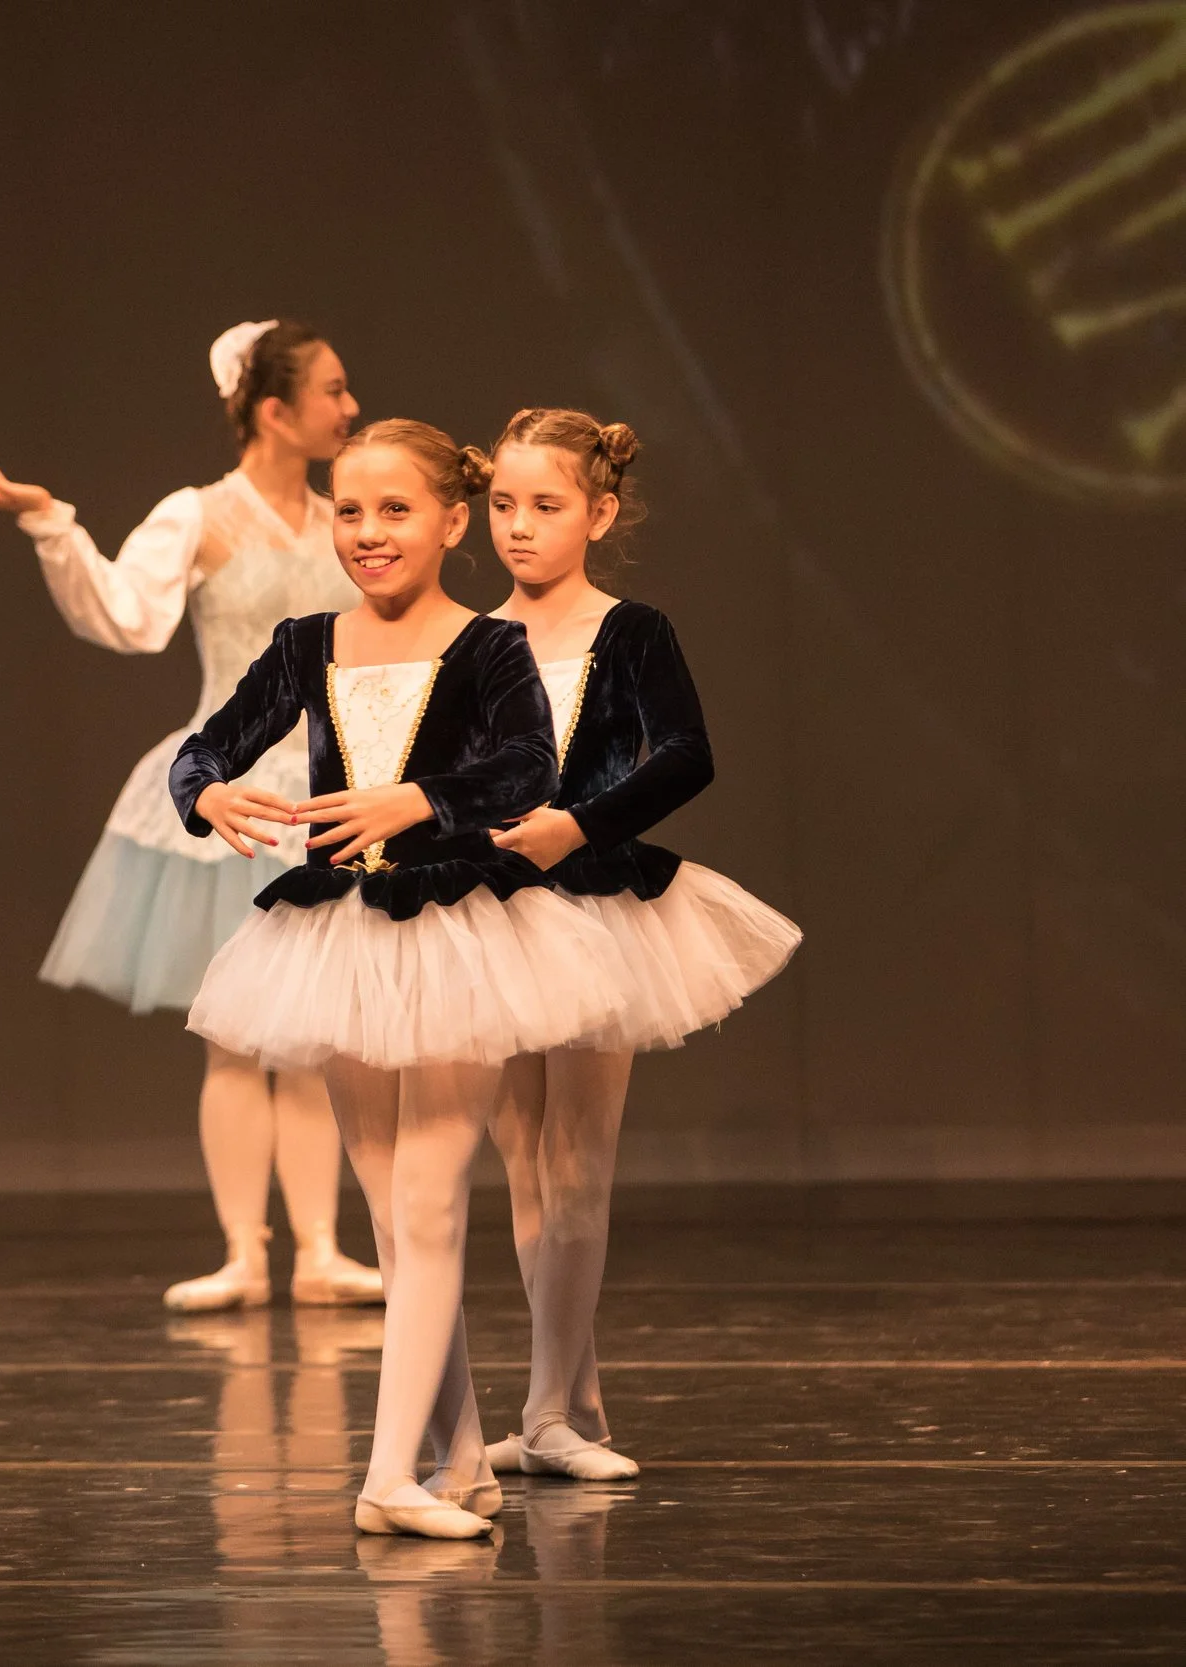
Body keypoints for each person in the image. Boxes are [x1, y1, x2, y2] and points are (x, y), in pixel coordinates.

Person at [176, 419, 626, 1539]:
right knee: (392, 1215)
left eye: (394, 510)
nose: (368, 533)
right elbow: (210, 743)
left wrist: (419, 800)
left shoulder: (489, 647)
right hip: (341, 939)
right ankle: (458, 1459)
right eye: (348, 511)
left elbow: (528, 766)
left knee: (427, 1203)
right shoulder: (305, 642)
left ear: (450, 522)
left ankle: (386, 1479)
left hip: (457, 934)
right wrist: (207, 791)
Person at [0, 321, 383, 1311]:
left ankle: (319, 1247)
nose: (349, 408)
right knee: (236, 1036)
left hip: (325, 795)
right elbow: (126, 614)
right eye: (333, 390)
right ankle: (244, 1251)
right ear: (275, 410)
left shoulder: (342, 519)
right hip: (237, 797)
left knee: (314, 1038)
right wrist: (50, 521)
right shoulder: (200, 514)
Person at [478, 409, 802, 1482]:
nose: (519, 526)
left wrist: (580, 823)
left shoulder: (630, 631)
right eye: (502, 505)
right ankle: (568, 1404)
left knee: (576, 1159)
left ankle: (548, 1413)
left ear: (600, 512)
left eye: (545, 505)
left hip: (596, 907)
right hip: (495, 913)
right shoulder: (471, 639)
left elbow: (686, 754)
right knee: (522, 1164)